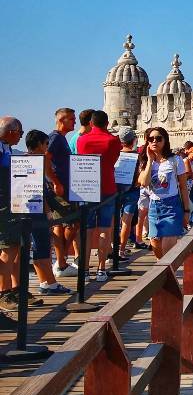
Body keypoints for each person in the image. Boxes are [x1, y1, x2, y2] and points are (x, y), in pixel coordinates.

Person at [24, 130, 71, 295]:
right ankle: (50, 283)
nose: (46, 148)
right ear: (38, 144)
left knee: (37, 247)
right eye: (45, 144)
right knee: (43, 246)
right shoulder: (36, 163)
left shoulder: (22, 161)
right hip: (37, 212)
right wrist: (48, 211)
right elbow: (38, 190)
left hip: (24, 212)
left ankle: (44, 281)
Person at [77, 109, 122, 282]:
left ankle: (85, 269)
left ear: (91, 123)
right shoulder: (113, 141)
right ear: (107, 123)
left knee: (86, 231)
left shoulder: (82, 141)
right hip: (108, 187)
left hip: (86, 188)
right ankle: (102, 269)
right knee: (105, 230)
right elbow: (114, 160)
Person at [136, 126, 191, 257]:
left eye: (158, 138)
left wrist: (187, 210)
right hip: (154, 206)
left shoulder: (175, 160)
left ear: (165, 140)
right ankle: (165, 273)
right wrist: (149, 160)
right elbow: (143, 183)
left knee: (167, 247)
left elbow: (183, 187)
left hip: (172, 206)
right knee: (155, 244)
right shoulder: (145, 161)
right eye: (151, 139)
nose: (154, 141)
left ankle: (167, 275)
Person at [47, 107, 79, 276]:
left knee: (66, 224)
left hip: (66, 187)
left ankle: (61, 261)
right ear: (62, 120)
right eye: (72, 119)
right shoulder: (55, 138)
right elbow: (46, 157)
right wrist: (55, 182)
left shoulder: (62, 139)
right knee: (69, 223)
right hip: (59, 188)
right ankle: (60, 262)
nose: (75, 121)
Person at [0, 117, 25, 313]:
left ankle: (15, 288)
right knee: (7, 250)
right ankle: (4, 293)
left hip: (12, 203)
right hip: (3, 207)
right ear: (11, 132)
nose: (21, 136)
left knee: (15, 247)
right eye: (20, 133)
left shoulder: (6, 148)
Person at [116, 128, 141, 257]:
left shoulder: (116, 154)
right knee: (126, 221)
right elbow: (138, 175)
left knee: (113, 221)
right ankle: (121, 250)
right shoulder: (136, 156)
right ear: (133, 140)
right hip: (131, 191)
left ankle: (112, 249)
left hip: (116, 190)